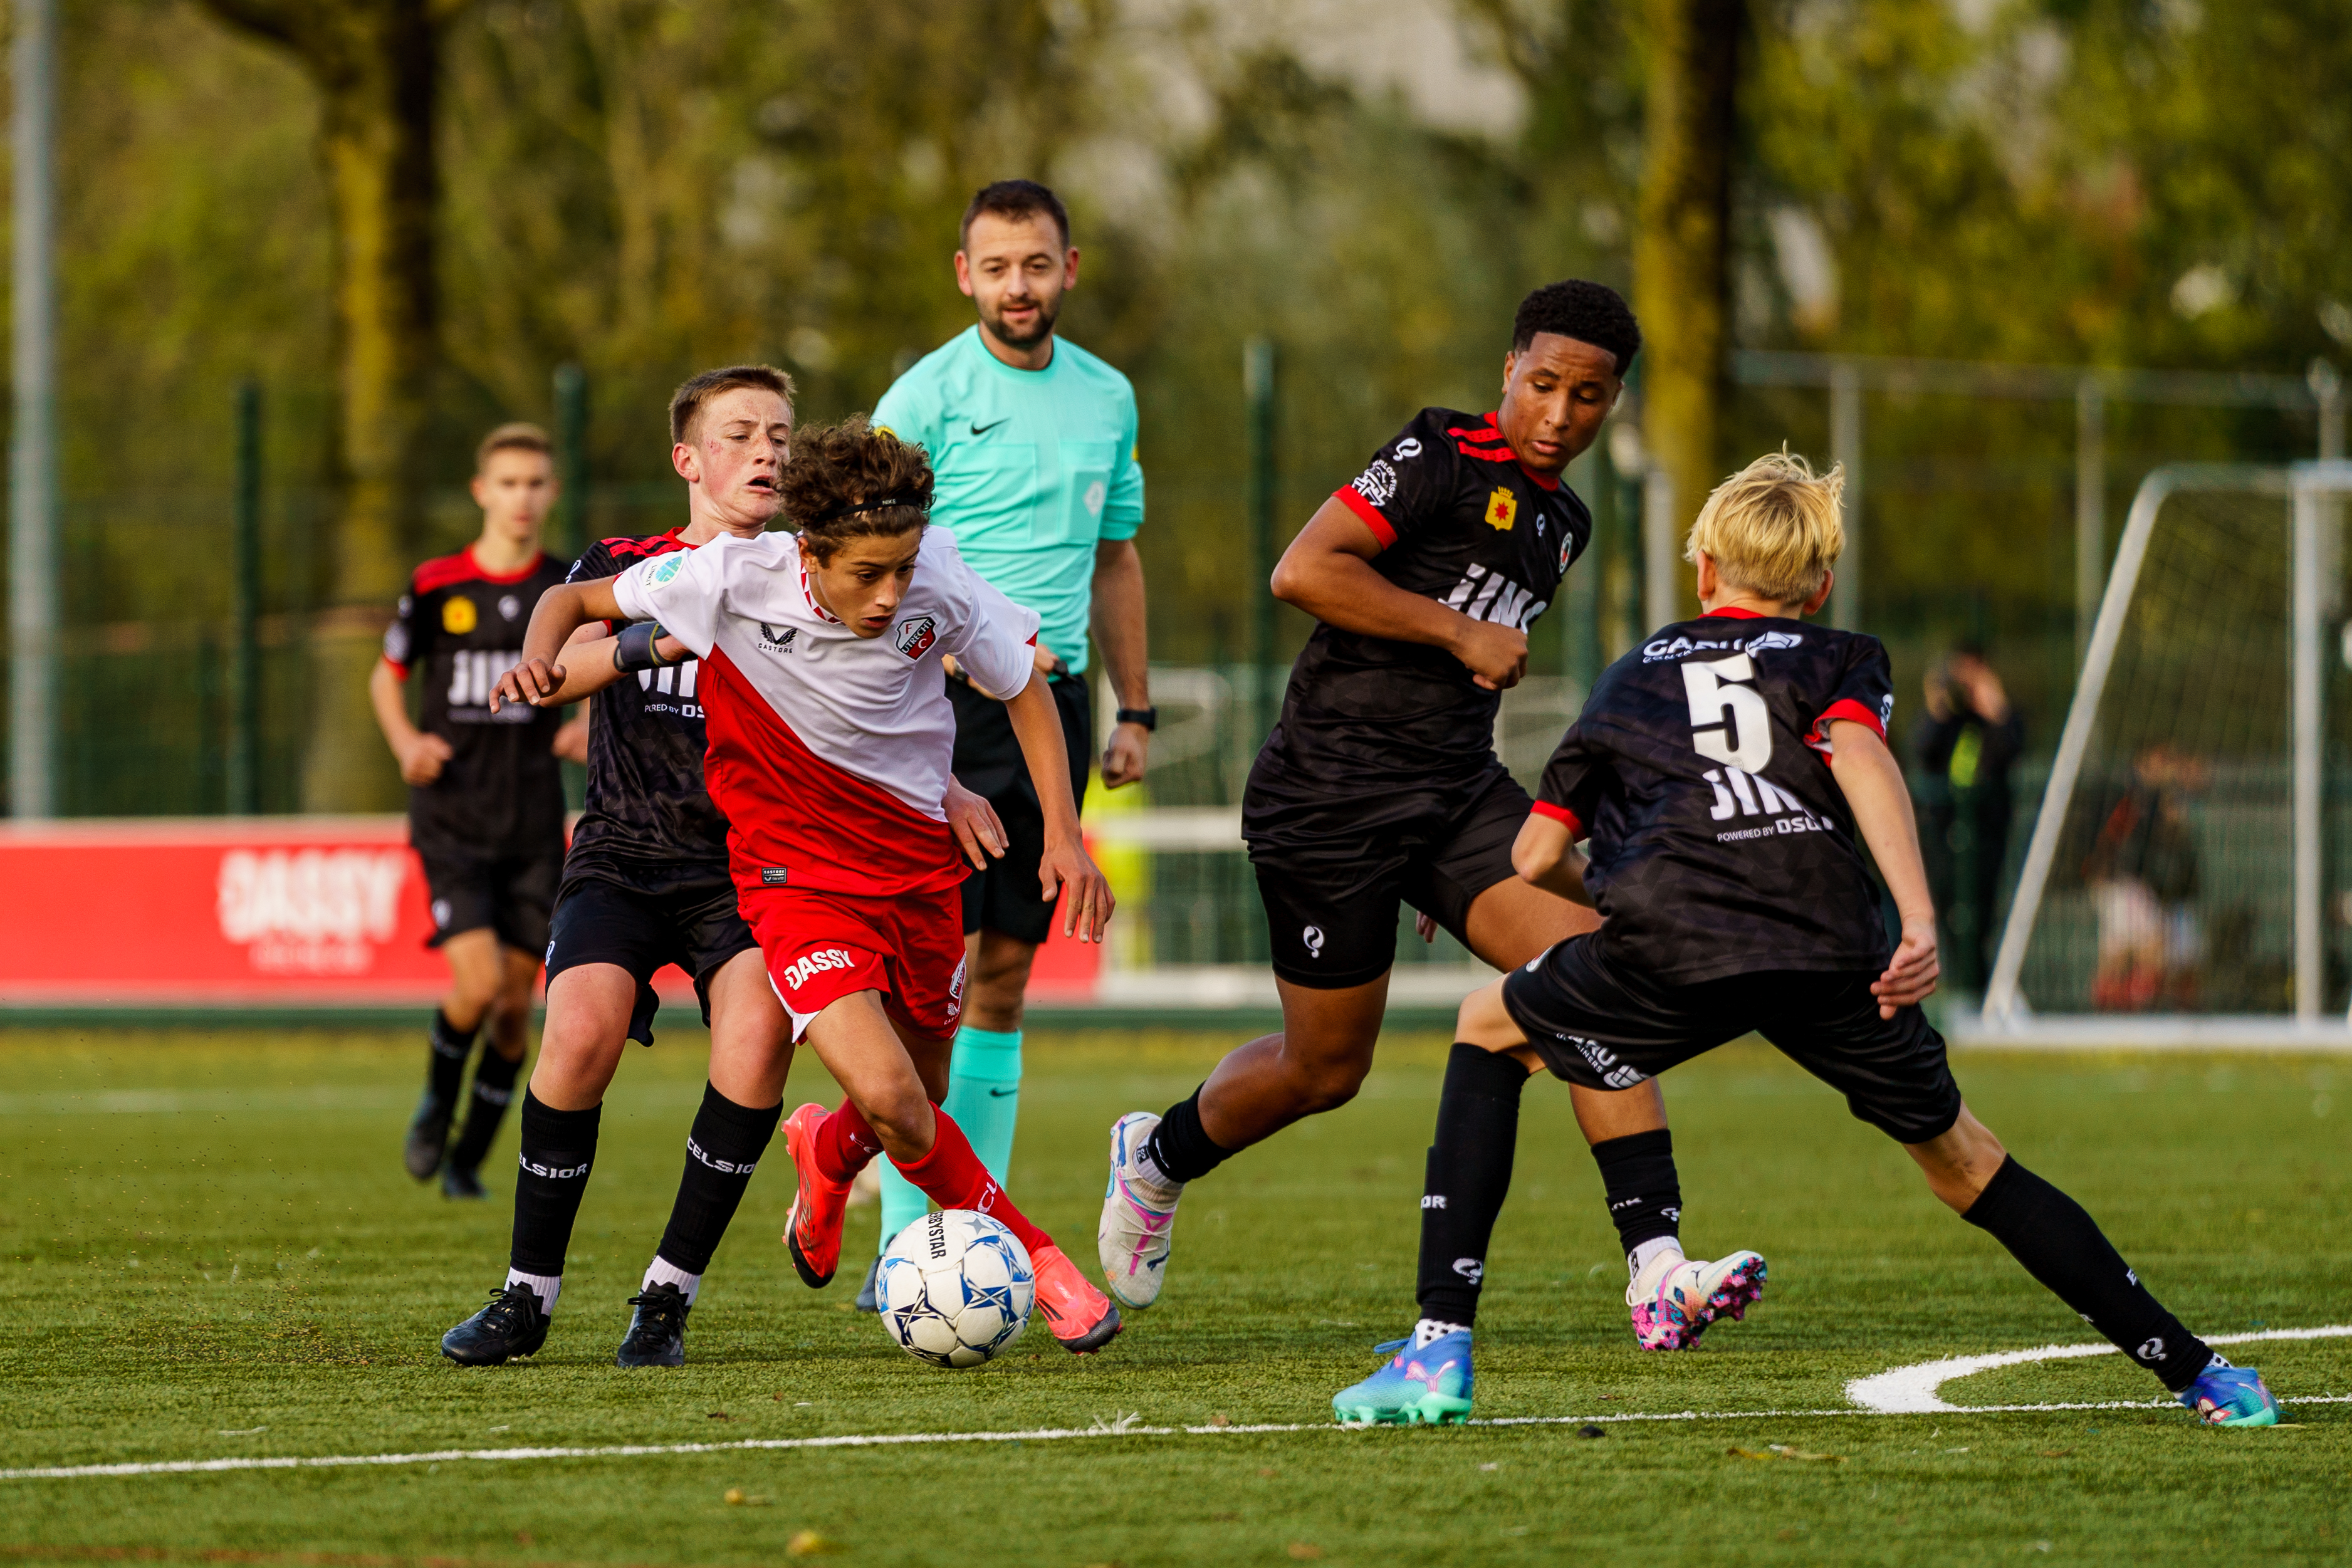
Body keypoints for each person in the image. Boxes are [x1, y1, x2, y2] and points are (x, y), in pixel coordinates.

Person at [1331, 452, 2278, 1429]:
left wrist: (1619, 894)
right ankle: (2201, 1373)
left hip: (1674, 940)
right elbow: (1860, 757)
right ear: (1819, 586)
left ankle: (1440, 1349)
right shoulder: (1840, 656)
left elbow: (1532, 857)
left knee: (1491, 1023)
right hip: (1828, 948)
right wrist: (1918, 918)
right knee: (1967, 1161)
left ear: (1703, 570)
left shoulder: (1631, 678)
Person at [1100, 281, 1760, 1353]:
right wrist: (1457, 631)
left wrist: (1442, 862)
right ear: (1508, 368)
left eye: (1586, 397)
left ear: (1613, 403)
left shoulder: (1564, 521)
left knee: (1599, 972)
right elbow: (1301, 570)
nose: (1558, 413)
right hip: (1327, 801)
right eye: (1542, 384)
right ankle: (1159, 1154)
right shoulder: (1436, 451)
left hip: (1453, 799)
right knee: (1326, 1071)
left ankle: (1658, 1268)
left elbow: (1464, 685)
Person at [510, 417, 1124, 1355]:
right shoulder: (731, 575)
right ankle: (1040, 1259)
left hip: (919, 869)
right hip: (794, 880)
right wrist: (540, 651)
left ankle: (824, 1154)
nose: (890, 596)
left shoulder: (939, 574)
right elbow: (578, 595)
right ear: (810, 550)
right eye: (865, 574)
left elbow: (1022, 687)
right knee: (895, 1094)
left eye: (903, 571)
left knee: (918, 1087)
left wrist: (1066, 837)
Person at [435, 367, 801, 1369]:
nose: (767, 450)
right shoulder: (628, 561)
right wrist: (673, 631)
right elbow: (567, 663)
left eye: (780, 433)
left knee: (757, 1044)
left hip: (754, 866)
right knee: (581, 1033)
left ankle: (666, 1298)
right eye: (739, 434)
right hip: (625, 852)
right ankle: (526, 1297)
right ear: (688, 459)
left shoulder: (809, 571)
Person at [852, 179, 1154, 1310]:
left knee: (1009, 973)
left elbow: (1115, 554)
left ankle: (967, 1241)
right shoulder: (921, 397)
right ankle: (903, 1243)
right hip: (929, 700)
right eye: (996, 267)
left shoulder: (1108, 397)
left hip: (1053, 699)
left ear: (1069, 267)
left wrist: (1134, 707)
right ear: (962, 273)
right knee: (922, 970)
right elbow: (854, 555)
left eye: (1036, 265)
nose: (1017, 287)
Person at [374, 423, 586, 1201]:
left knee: (512, 1011)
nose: (522, 498)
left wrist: (586, 725)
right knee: (477, 986)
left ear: (550, 492)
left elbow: (605, 677)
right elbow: (384, 674)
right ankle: (435, 1101)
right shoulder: (437, 585)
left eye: (535, 483)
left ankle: (467, 1159)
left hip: (532, 827)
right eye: (508, 483)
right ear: (481, 492)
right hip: (453, 821)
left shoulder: (566, 588)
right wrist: (405, 741)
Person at [1915, 644, 2023, 992]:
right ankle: (1960, 988)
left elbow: (2012, 748)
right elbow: (1922, 752)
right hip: (1945, 833)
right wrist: (1937, 708)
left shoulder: (1998, 721)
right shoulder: (1948, 721)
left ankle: (1979, 989)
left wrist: (1996, 708)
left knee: (1981, 915)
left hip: (1986, 833)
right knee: (1946, 910)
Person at [2085, 743, 2206, 1011]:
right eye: (2160, 763)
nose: (2166, 770)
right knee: (2136, 951)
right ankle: (2114, 1010)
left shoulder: (2163, 800)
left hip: (2158, 889)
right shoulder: (2131, 800)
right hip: (2126, 884)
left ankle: (2140, 1010)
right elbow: (2112, 842)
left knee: (2167, 958)